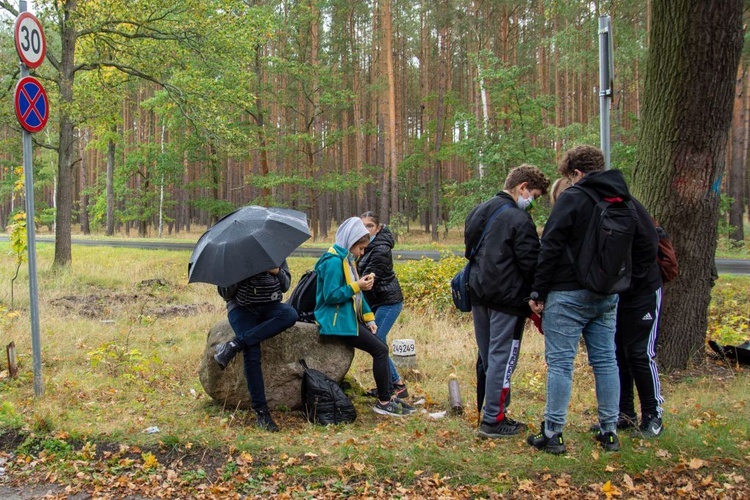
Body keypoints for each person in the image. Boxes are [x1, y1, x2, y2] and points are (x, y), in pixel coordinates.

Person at [526, 145, 656, 454]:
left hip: (567, 294)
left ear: (576, 172)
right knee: (605, 361)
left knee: (560, 364)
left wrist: (537, 292)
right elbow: (648, 244)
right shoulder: (624, 200)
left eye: (569, 176)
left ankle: (553, 433)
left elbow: (551, 246)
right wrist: (624, 281)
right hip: (607, 295)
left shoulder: (572, 198)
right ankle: (609, 430)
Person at [465, 164, 550, 438]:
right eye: (533, 195)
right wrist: (537, 294)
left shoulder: (479, 210)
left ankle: (492, 411)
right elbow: (530, 261)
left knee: (489, 356)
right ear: (522, 187)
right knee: (503, 358)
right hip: (507, 298)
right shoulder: (518, 219)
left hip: (478, 293)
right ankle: (493, 419)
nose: (532, 202)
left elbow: (470, 251)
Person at [314, 217, 415, 417]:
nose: (361, 253)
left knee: (380, 348)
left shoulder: (346, 260)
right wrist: (357, 285)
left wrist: (369, 318)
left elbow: (357, 295)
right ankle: (385, 401)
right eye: (360, 248)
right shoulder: (333, 262)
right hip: (335, 321)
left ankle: (389, 397)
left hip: (346, 317)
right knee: (380, 350)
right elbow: (331, 295)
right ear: (350, 242)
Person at [213, 261, 299, 432]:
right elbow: (225, 293)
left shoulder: (272, 251)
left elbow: (285, 285)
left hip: (270, 305)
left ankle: (235, 344)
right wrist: (242, 272)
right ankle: (262, 413)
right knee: (252, 350)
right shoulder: (234, 255)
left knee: (290, 314)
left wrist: (277, 271)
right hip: (241, 309)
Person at [357, 211, 409, 399]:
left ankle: (397, 385)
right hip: (375, 302)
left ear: (378, 228)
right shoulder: (366, 245)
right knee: (379, 342)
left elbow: (369, 277)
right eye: (362, 225)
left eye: (369, 226)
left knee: (377, 341)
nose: (366, 229)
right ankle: (388, 385)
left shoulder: (380, 249)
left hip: (388, 301)